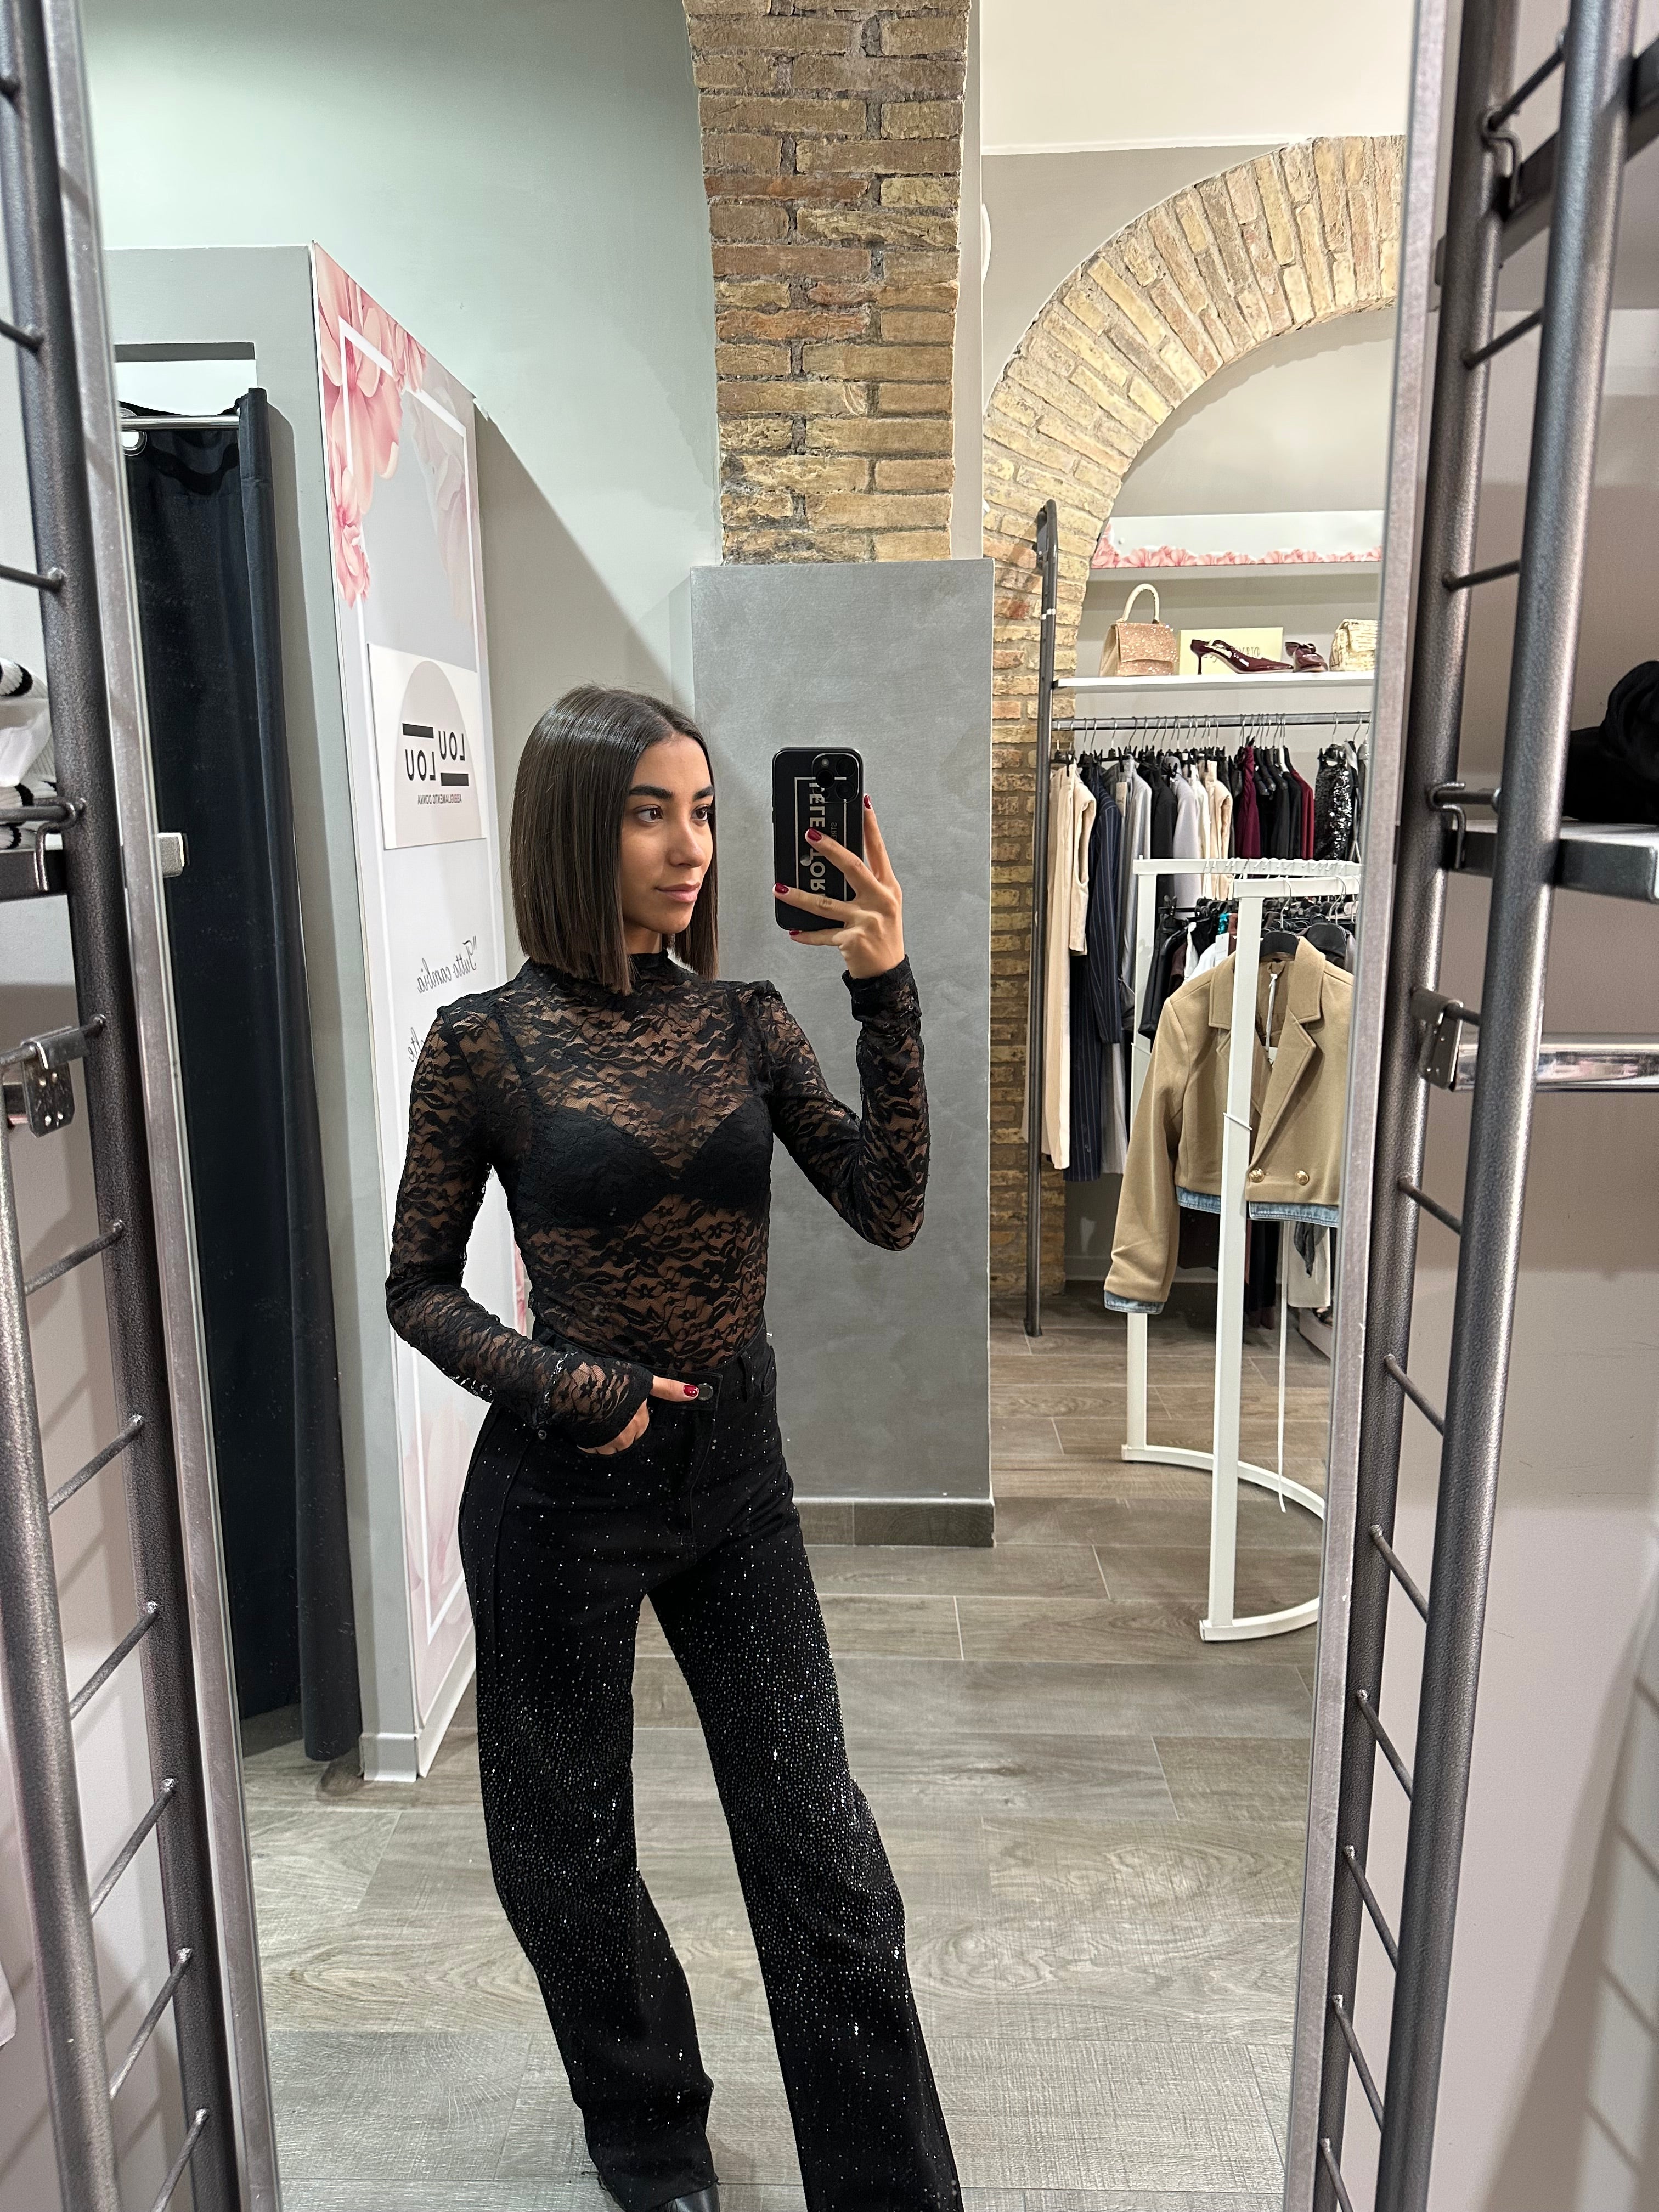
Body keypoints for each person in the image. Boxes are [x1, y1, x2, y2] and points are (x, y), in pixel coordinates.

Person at [386, 686, 960, 2212]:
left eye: (702, 811)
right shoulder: (482, 1043)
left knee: (823, 1854)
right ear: (576, 828)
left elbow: (890, 1206)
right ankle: (648, 2134)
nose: (690, 846)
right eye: (652, 812)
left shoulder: (745, 1019)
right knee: (566, 1855)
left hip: (734, 1486)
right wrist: (564, 1386)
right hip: (558, 1494)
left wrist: (887, 991)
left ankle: (891, 2190)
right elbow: (417, 1287)